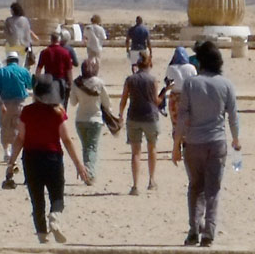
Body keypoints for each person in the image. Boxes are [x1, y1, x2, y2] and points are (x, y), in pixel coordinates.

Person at [177, 40, 241, 247]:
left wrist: (176, 143)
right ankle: (209, 232)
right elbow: (233, 116)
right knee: (212, 189)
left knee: (195, 187)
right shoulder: (226, 84)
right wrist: (236, 139)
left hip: (193, 142)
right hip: (216, 141)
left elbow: (182, 116)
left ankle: (194, 229)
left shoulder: (190, 84)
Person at [18, 77, 94, 242]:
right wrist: (79, 164)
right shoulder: (58, 112)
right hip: (52, 157)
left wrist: (11, 162)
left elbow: (20, 138)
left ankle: (42, 236)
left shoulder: (27, 111)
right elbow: (66, 140)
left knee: (37, 199)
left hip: (31, 158)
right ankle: (54, 216)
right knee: (57, 196)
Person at [118, 50, 164, 194]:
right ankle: (151, 180)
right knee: (152, 148)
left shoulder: (130, 80)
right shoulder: (152, 80)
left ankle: (135, 185)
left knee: (135, 153)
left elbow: (124, 99)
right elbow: (156, 101)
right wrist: (164, 93)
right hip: (150, 117)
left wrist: (120, 114)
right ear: (149, 64)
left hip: (134, 116)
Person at [0, 45, 33, 189]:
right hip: (20, 102)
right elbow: (30, 85)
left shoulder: (1, 71)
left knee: (5, 126)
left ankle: (6, 151)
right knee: (20, 129)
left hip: (5, 103)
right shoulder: (23, 71)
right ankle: (18, 153)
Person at [70, 56, 114, 176]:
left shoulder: (77, 83)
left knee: (86, 147)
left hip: (80, 119)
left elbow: (73, 102)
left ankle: (85, 171)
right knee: (92, 147)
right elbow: (107, 102)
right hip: (95, 118)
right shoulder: (99, 83)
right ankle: (89, 173)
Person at [162, 43, 198, 164]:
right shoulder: (191, 68)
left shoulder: (171, 68)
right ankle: (187, 148)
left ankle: (176, 146)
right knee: (188, 122)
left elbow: (167, 82)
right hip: (188, 96)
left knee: (175, 123)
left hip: (175, 96)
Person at [36, 27, 78, 93]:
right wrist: (71, 82)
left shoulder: (44, 52)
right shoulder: (65, 52)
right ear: (59, 40)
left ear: (51, 40)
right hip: (61, 80)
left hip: (48, 80)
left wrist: (37, 80)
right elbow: (69, 70)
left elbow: (39, 68)